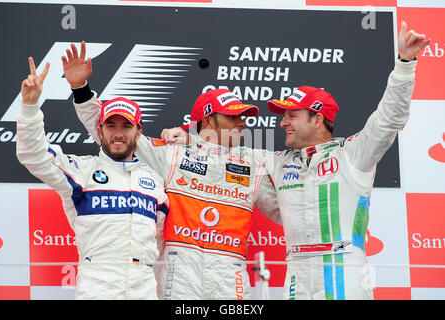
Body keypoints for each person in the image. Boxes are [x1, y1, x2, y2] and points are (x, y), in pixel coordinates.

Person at [64, 42, 281, 300]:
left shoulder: (254, 162)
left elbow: (288, 208)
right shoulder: (172, 153)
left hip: (230, 273)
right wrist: (81, 89)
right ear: (208, 121)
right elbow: (113, 131)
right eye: (233, 117)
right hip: (181, 273)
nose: (242, 122)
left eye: (242, 117)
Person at [264, 21, 430, 300]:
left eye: (291, 116)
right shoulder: (276, 162)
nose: (283, 123)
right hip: (296, 271)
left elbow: (388, 119)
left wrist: (404, 64)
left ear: (317, 119)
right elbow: (227, 158)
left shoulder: (352, 153)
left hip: (343, 267)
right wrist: (186, 137)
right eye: (283, 116)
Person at [16, 57, 169, 300]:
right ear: (100, 130)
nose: (118, 133)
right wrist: (30, 106)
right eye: (111, 126)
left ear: (138, 132)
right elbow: (33, 154)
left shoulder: (155, 182)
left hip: (144, 287)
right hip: (98, 284)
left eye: (126, 126)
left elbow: (160, 240)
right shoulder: (80, 171)